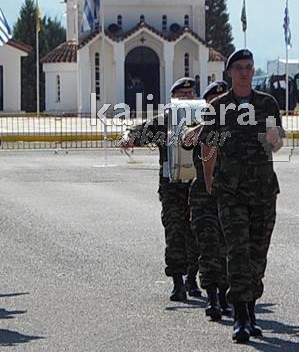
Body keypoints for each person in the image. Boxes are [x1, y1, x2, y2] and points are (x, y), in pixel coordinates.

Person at [201, 49, 283, 343]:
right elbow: (208, 147)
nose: (245, 72)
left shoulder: (267, 103)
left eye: (249, 67)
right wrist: (209, 183)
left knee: (257, 255)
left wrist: (273, 139)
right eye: (239, 68)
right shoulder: (218, 107)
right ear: (229, 73)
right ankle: (240, 317)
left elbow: (276, 143)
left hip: (263, 191)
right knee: (237, 252)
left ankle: (251, 309)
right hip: (231, 193)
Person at [121, 77, 202, 302]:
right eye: (181, 94)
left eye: (190, 94)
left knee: (197, 234)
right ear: (172, 98)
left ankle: (192, 278)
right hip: (172, 188)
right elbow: (138, 131)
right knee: (175, 233)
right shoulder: (164, 122)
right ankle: (177, 281)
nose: (186, 98)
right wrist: (128, 137)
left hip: (197, 188)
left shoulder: (203, 120)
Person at [182, 80, 230, 321]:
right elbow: (186, 141)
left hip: (229, 194)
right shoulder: (198, 125)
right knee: (209, 246)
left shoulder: (235, 125)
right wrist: (207, 124)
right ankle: (212, 298)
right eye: (212, 100)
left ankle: (224, 296)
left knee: (227, 248)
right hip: (203, 196)